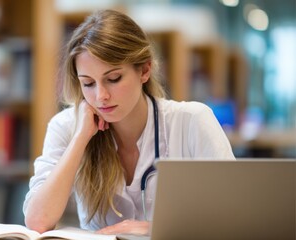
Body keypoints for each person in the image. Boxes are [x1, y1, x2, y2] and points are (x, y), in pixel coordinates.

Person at [23, 9, 235, 236]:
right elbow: (38, 221)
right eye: (88, 84)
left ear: (144, 70)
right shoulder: (65, 126)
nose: (100, 96)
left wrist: (151, 230)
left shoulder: (191, 121)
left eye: (113, 79)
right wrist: (80, 138)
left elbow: (235, 216)